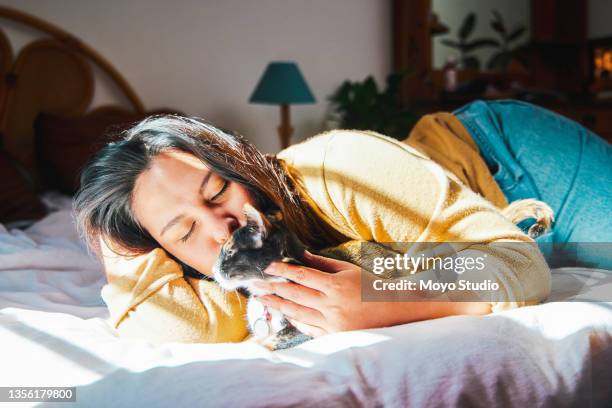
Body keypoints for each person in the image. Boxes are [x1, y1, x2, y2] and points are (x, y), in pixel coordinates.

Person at [73, 100, 576, 345]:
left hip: (505, 160)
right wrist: (112, 235)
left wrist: (388, 298)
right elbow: (170, 326)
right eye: (183, 232)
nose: (221, 228)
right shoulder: (215, 282)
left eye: (219, 190)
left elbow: (519, 264)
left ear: (237, 166)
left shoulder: (337, 169)